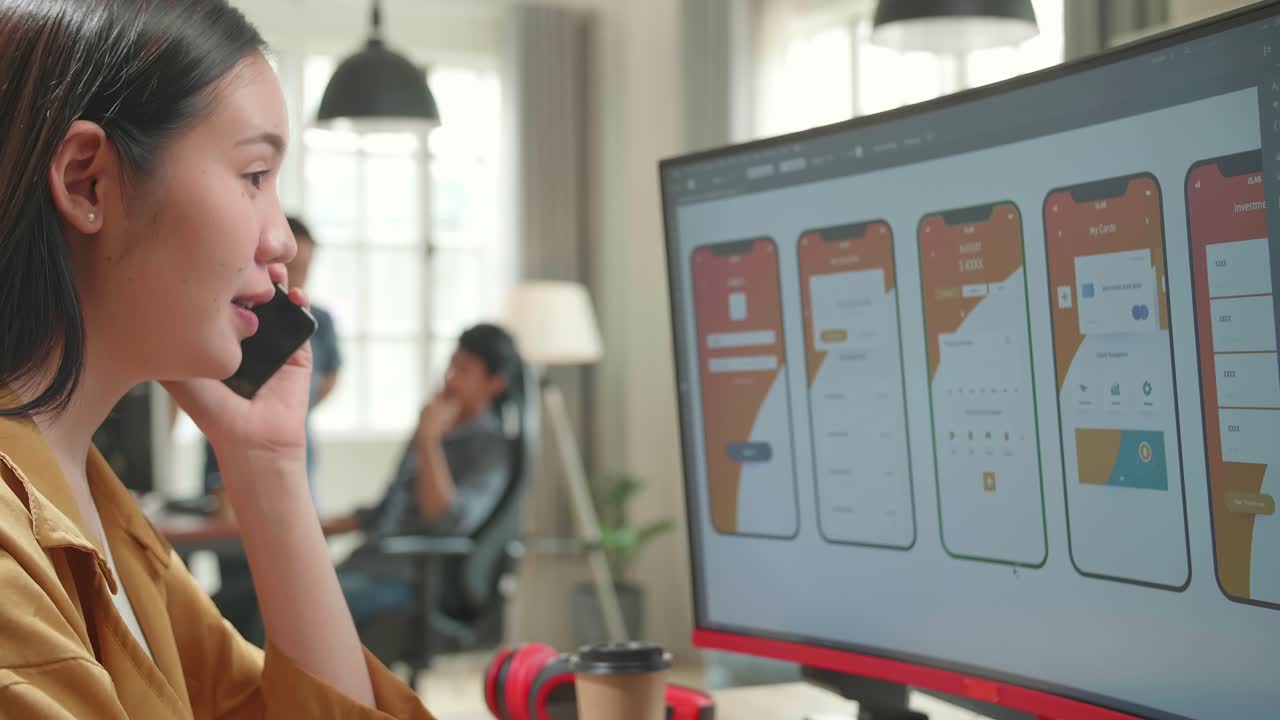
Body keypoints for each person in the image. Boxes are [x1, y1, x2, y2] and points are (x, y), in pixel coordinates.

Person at [0, 2, 433, 717]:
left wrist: (267, 464)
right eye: (254, 175)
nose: (282, 242)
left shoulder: (96, 507)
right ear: (87, 182)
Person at [338, 324, 522, 630]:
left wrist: (428, 442)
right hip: (369, 561)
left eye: (464, 370)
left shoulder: (492, 449)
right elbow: (385, 510)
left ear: (495, 384)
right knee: (264, 594)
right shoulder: (432, 427)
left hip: (414, 580)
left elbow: (446, 520)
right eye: (451, 365)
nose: (449, 378)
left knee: (299, 612)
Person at [203, 214, 341, 499]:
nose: (299, 276)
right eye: (293, 267)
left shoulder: (319, 322)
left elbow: (330, 377)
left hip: (294, 449)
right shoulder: (237, 314)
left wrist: (295, 404)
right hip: (226, 448)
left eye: (306, 267)